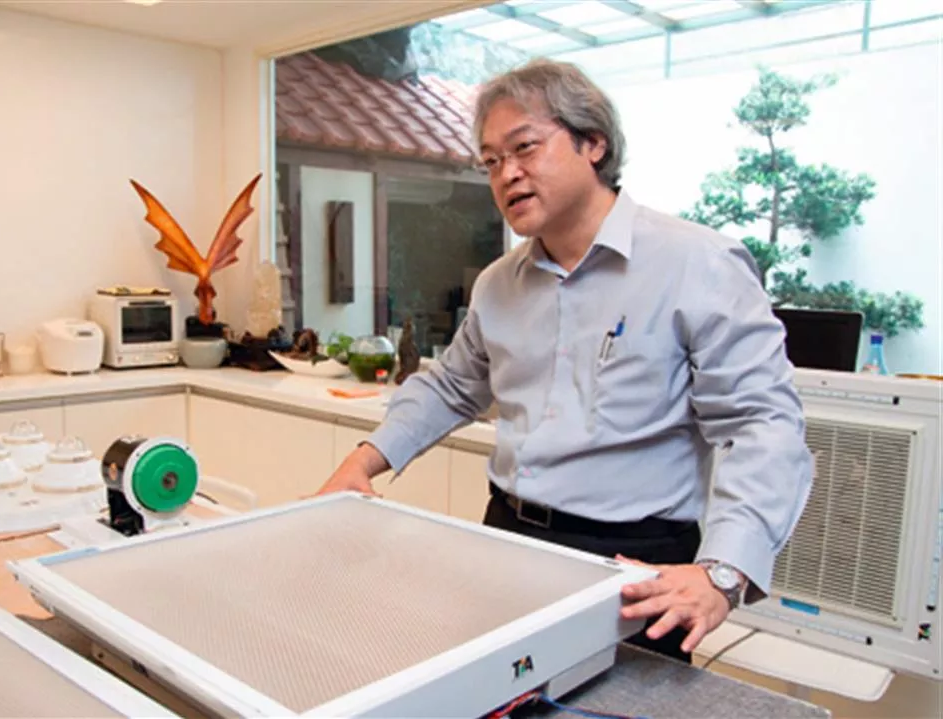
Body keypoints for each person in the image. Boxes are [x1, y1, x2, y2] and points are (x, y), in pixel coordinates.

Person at [315, 58, 813, 664]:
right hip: (506, 538)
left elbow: (762, 424)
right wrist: (362, 461)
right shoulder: (498, 284)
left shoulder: (699, 264)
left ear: (593, 143)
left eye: (525, 147)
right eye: (491, 161)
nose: (507, 174)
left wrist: (721, 572)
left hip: (629, 563)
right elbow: (451, 387)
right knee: (491, 696)